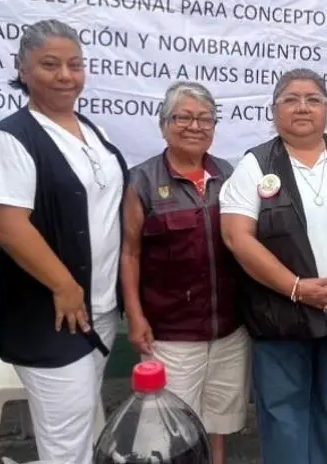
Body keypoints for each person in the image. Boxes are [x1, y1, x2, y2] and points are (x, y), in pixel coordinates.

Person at [219, 69, 327, 464]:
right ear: (274, 110)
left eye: (313, 99)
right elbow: (237, 237)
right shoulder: (255, 164)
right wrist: (297, 287)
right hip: (281, 312)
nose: (303, 107)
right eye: (291, 99)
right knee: (283, 409)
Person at [0, 20, 128, 464]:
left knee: (79, 425)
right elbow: (6, 223)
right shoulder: (12, 137)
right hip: (53, 315)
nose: (66, 75)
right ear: (22, 70)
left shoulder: (88, 129)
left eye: (75, 64)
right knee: (66, 442)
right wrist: (64, 285)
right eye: (50, 64)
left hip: (96, 310)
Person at [122, 81, 248, 464]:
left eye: (205, 119)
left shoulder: (229, 174)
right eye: (184, 117)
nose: (195, 126)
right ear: (163, 125)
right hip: (172, 333)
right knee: (173, 428)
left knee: (219, 420)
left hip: (230, 328)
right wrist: (135, 316)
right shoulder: (142, 181)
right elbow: (130, 252)